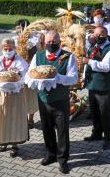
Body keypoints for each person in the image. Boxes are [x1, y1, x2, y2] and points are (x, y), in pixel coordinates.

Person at [28, 31, 78, 174]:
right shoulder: (38, 56)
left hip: (60, 100)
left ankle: (63, 160)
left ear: (59, 41)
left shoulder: (68, 57)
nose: (52, 43)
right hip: (43, 99)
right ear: (44, 42)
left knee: (62, 131)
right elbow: (30, 74)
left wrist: (58, 78)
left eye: (54, 40)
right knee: (47, 128)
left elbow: (73, 78)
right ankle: (50, 154)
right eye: (49, 41)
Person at [0, 38, 29, 157]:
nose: (8, 51)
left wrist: (16, 79)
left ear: (15, 49)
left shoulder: (21, 62)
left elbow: (24, 77)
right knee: (2, 119)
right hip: (0, 95)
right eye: (5, 49)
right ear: (2, 49)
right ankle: (4, 142)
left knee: (15, 119)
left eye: (10, 49)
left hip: (16, 95)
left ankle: (15, 145)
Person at [83, 26, 110, 150]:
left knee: (105, 114)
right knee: (95, 112)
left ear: (105, 34)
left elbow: (105, 66)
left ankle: (109, 138)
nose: (97, 37)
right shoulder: (94, 47)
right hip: (93, 85)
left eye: (100, 35)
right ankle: (97, 133)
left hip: (104, 87)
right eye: (95, 34)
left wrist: (88, 61)